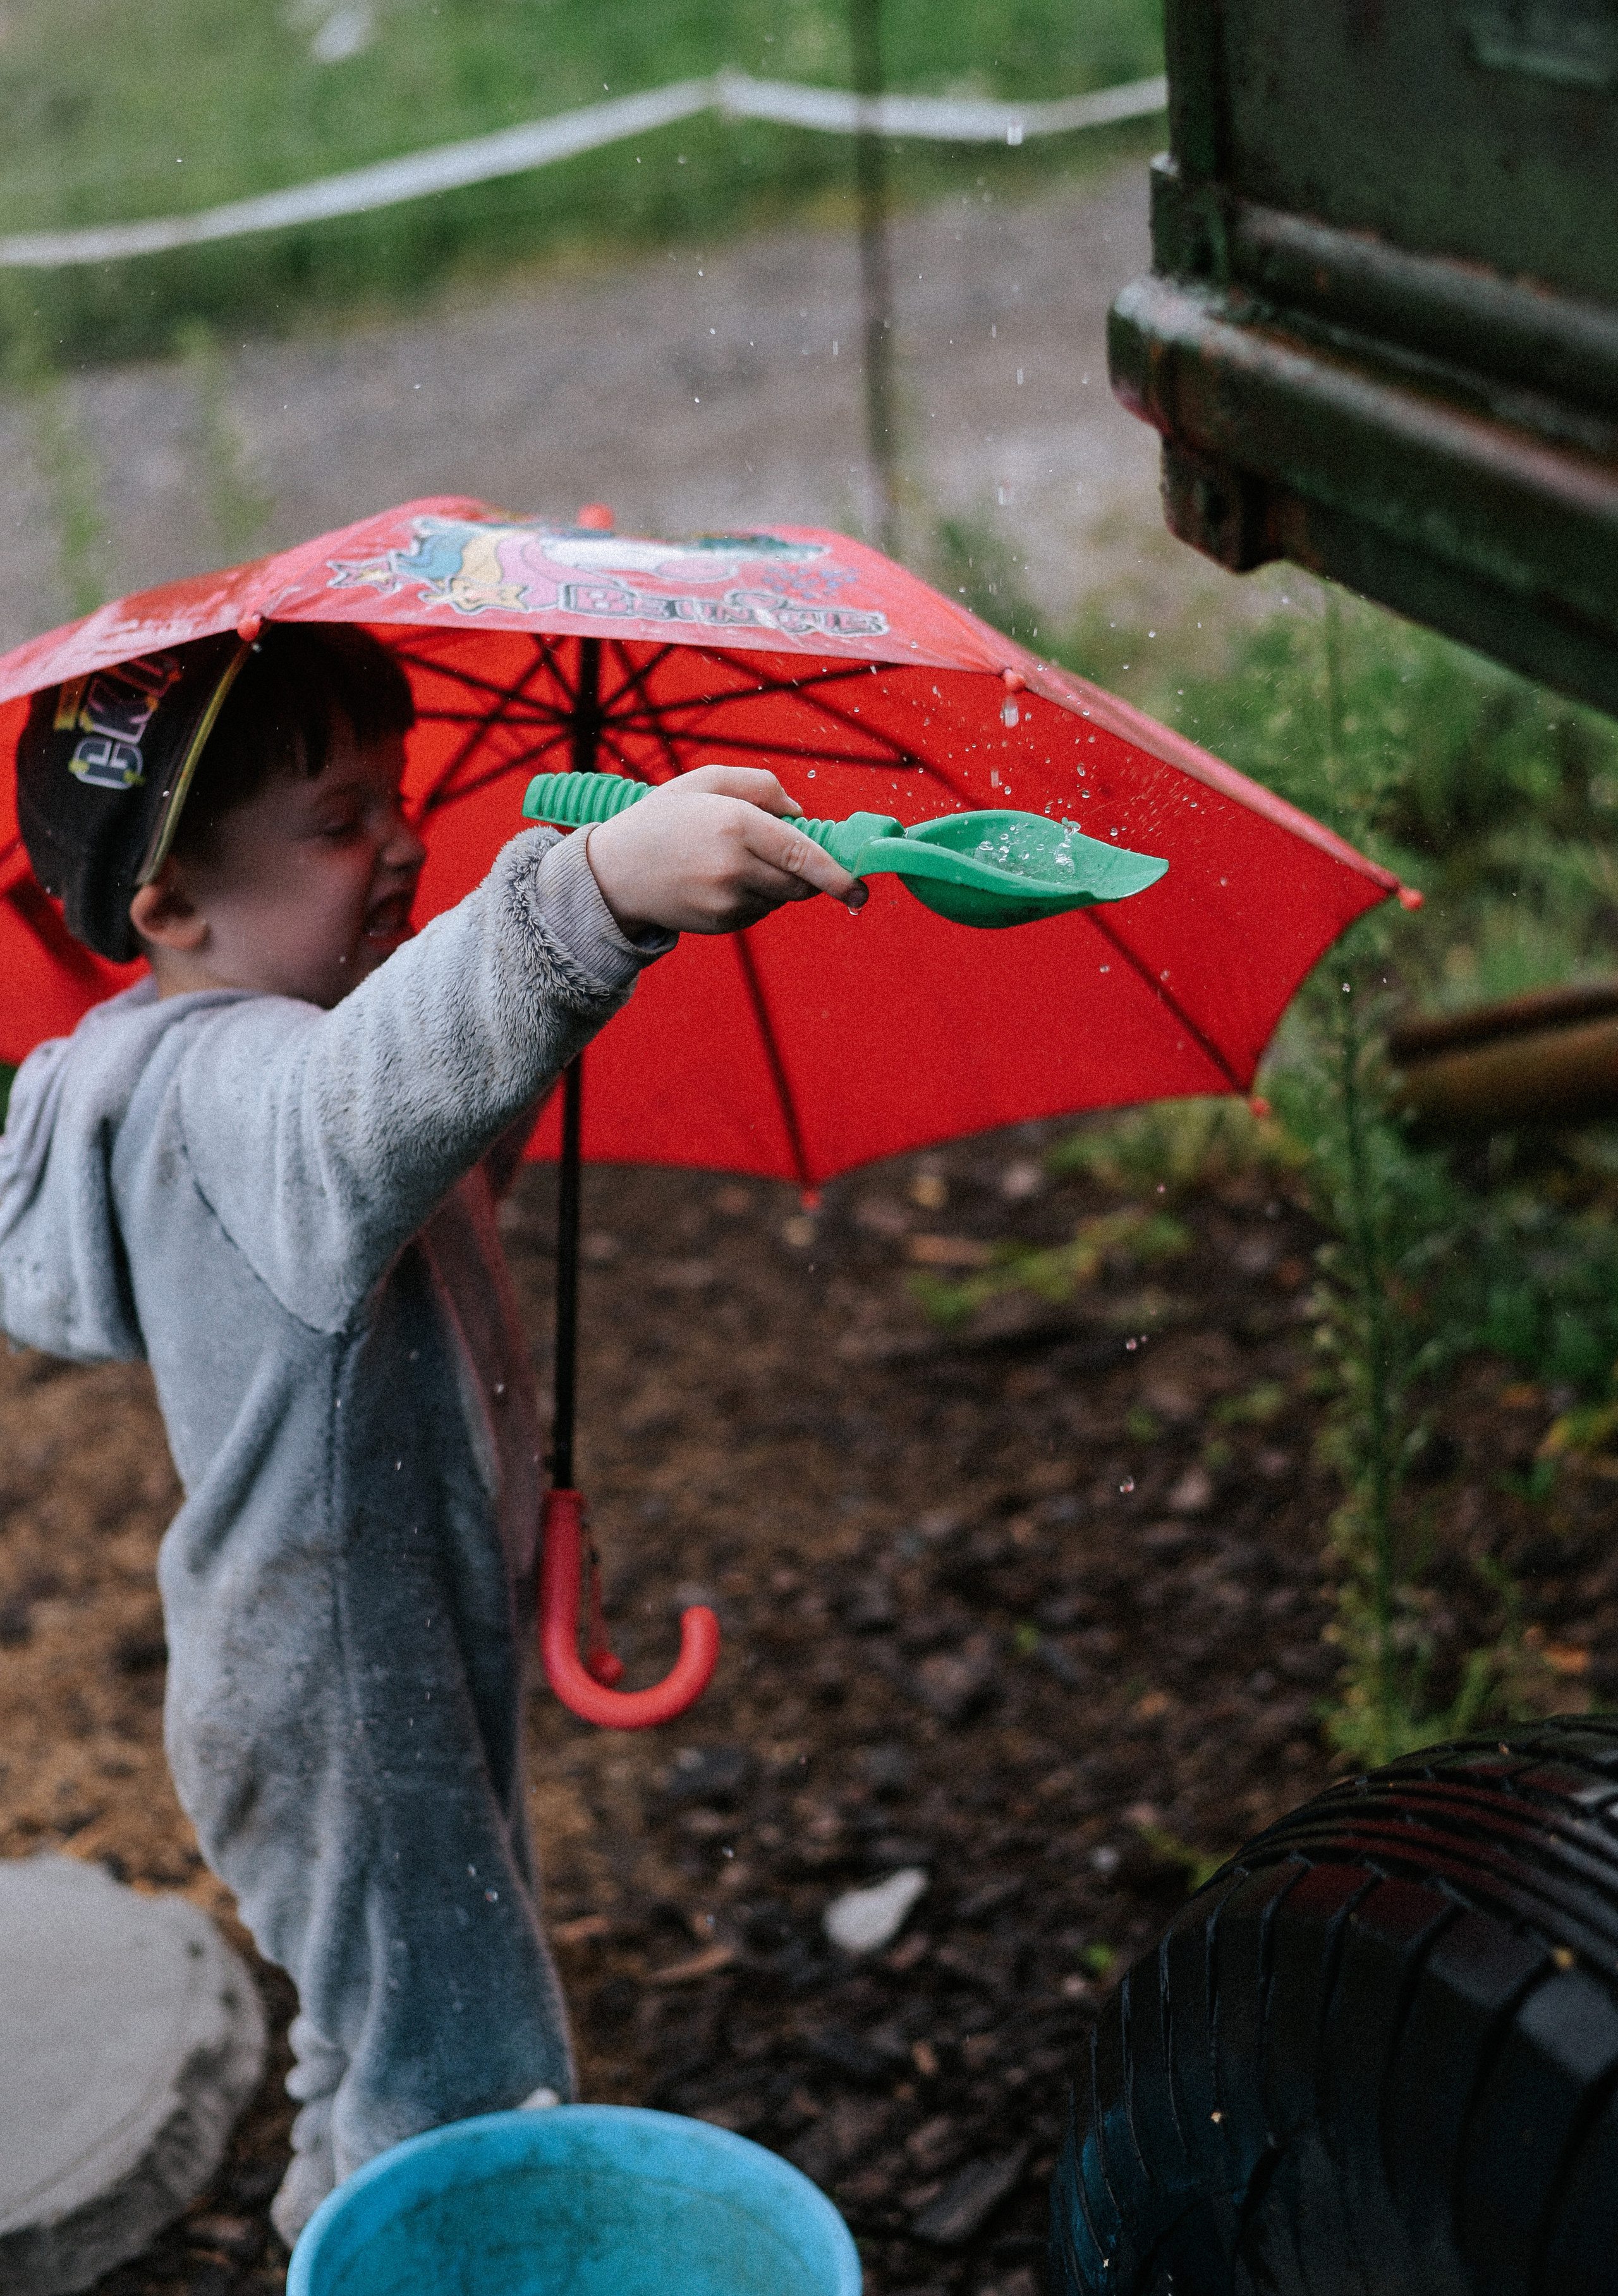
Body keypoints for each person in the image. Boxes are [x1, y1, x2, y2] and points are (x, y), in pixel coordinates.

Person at [0, 624, 863, 2242]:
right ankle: (413, 2254)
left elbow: (414, 1140)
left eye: (393, 798)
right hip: (338, 1682)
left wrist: (546, 1003)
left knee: (400, 2034)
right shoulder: (229, 1092)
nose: (400, 840)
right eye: (337, 822)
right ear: (172, 906)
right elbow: (357, 1114)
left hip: (366, 1635)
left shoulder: (282, 1047)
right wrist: (584, 898)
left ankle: (375, 2224)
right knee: (447, 2064)